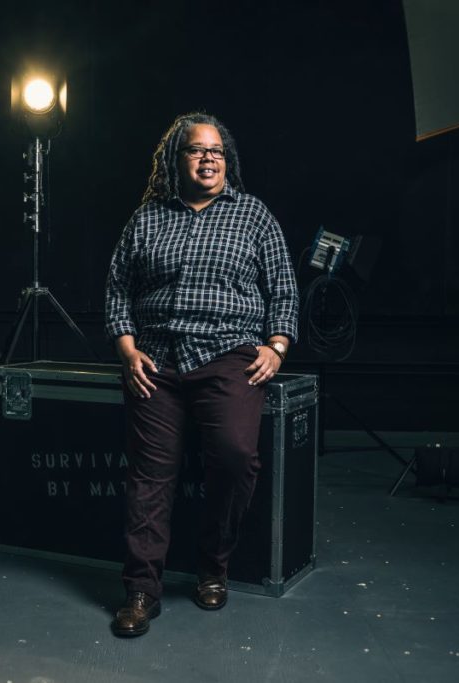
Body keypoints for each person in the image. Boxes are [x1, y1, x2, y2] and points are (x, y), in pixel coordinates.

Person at [104, 112, 299, 637]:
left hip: (228, 355)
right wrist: (127, 351)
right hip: (156, 361)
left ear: (226, 160)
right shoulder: (147, 218)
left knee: (237, 456)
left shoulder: (254, 216)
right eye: (196, 149)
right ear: (177, 159)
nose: (209, 157)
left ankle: (214, 563)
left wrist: (277, 347)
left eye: (216, 150)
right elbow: (118, 288)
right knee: (149, 475)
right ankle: (142, 589)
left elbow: (283, 286)